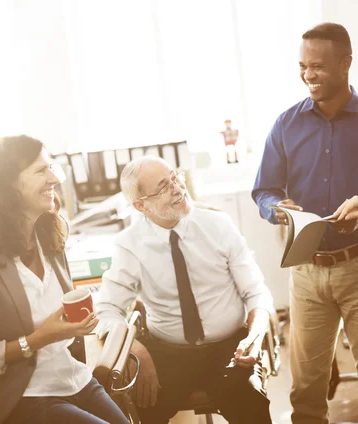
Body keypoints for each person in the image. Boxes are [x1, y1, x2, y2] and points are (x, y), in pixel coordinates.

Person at [0, 135, 129, 424]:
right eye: (41, 171)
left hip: (72, 377)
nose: (54, 178)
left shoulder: (49, 235)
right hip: (19, 397)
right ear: (7, 185)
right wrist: (36, 340)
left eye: (51, 167)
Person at [96, 156, 274, 424]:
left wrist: (256, 335)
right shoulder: (130, 244)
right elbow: (107, 308)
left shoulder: (219, 225)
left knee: (251, 406)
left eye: (174, 177)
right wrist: (136, 347)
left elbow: (255, 292)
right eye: (163, 187)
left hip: (230, 348)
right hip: (169, 353)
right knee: (143, 412)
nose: (178, 188)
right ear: (141, 205)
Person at [252, 22, 358, 423]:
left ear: (346, 63)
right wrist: (275, 207)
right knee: (306, 391)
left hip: (357, 266)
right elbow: (264, 189)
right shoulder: (286, 125)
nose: (308, 75)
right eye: (302, 66)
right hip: (307, 274)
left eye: (318, 66)